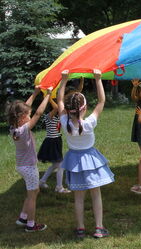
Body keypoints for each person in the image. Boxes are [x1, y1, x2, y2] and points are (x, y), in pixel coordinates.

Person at [57, 69, 114, 238]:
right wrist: (98, 80)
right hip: (91, 160)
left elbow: (59, 99)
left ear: (68, 110)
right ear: (84, 108)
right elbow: (101, 101)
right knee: (96, 194)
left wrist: (64, 80)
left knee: (79, 197)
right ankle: (99, 228)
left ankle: (80, 228)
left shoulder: (64, 121)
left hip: (73, 161)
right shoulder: (89, 123)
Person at [7, 85, 52, 232]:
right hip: (29, 167)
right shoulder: (24, 129)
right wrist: (47, 95)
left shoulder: (14, 128)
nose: (30, 115)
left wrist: (36, 92)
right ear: (21, 118)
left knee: (33, 191)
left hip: (22, 166)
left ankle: (22, 217)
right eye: (28, 114)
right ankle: (31, 225)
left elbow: (27, 107)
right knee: (32, 196)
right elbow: (38, 113)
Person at [38, 97, 70, 193]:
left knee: (55, 165)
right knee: (60, 165)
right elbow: (56, 108)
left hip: (56, 141)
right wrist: (49, 97)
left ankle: (42, 181)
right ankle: (59, 187)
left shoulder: (58, 117)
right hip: (51, 142)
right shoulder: (48, 116)